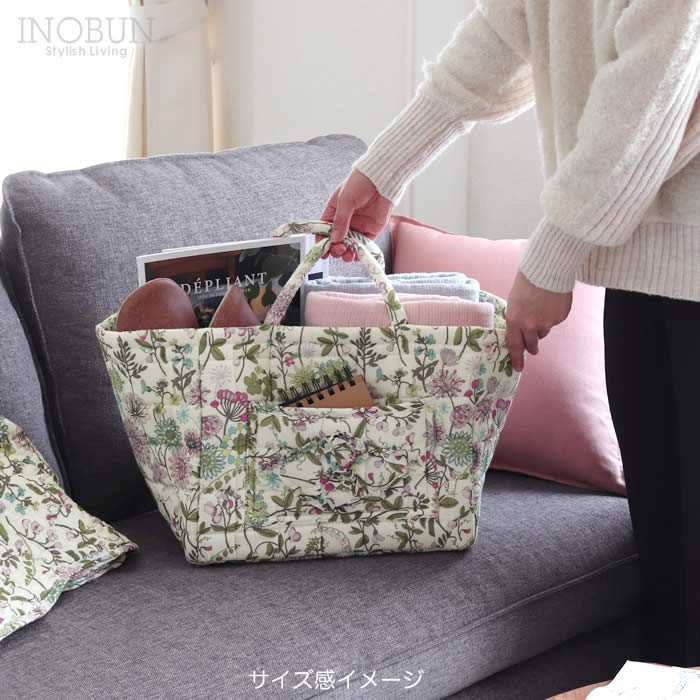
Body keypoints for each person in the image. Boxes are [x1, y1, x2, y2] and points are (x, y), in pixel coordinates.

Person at [319, 0, 700, 668]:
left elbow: (646, 100)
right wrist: (384, 167)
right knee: (667, 563)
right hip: (641, 265)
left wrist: (553, 255)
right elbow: (503, 30)